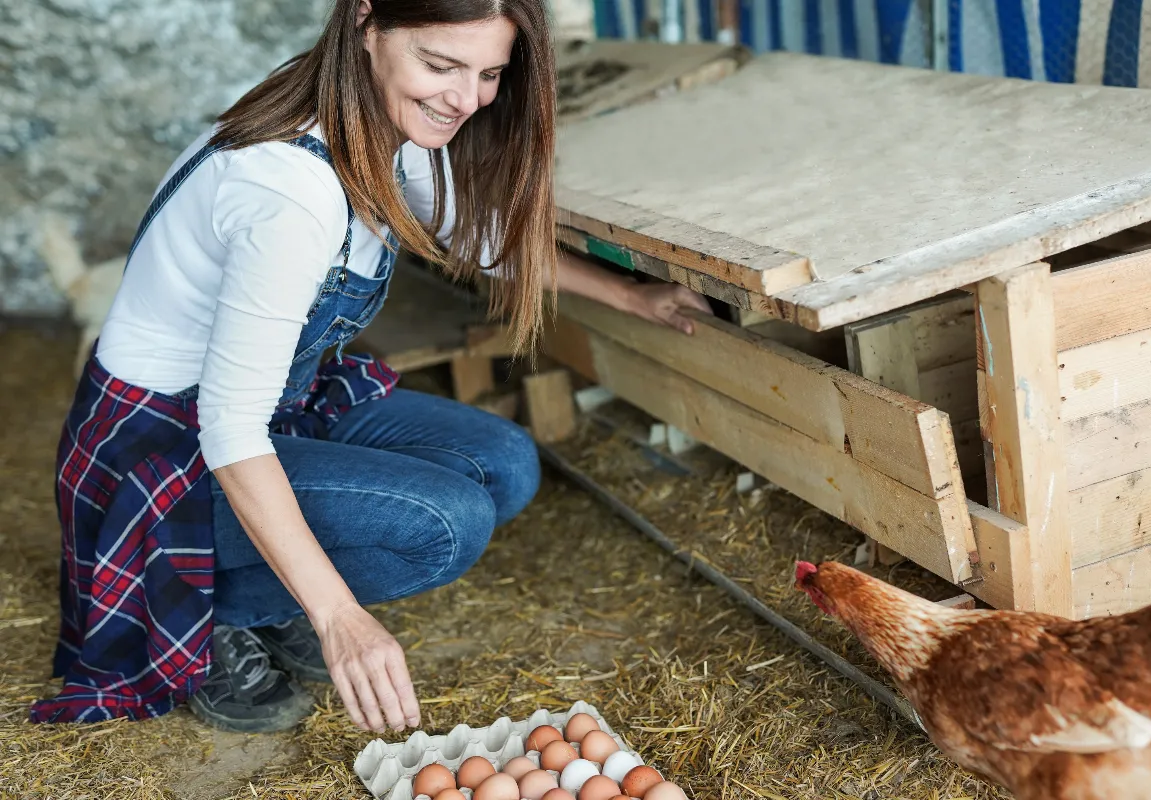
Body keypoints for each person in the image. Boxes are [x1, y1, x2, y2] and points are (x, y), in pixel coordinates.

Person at [31, 0, 711, 735]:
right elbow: (228, 430)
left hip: (281, 404)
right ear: (366, 24)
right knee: (444, 525)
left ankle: (263, 589)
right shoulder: (289, 192)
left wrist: (633, 296)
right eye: (441, 64)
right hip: (166, 452)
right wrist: (340, 617)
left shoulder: (375, 116)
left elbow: (473, 236)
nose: (466, 99)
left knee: (505, 464)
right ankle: (210, 611)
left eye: (489, 73)